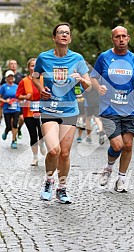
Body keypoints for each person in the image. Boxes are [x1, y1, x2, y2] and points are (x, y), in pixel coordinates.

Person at [32, 22, 91, 203]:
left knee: (65, 153)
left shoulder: (78, 59)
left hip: (69, 110)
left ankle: (62, 189)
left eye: (67, 33)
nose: (64, 35)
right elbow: (34, 77)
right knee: (54, 150)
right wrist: (41, 88)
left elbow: (87, 86)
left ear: (70, 38)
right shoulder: (44, 58)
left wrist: (80, 78)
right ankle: (49, 181)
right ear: (54, 37)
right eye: (60, 32)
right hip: (49, 109)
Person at [90, 26, 134, 192]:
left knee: (128, 146)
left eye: (123, 36)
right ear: (112, 39)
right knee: (117, 145)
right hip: (109, 108)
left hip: (128, 109)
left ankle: (121, 179)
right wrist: (98, 87)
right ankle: (108, 168)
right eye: (117, 37)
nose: (121, 39)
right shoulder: (104, 57)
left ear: (128, 38)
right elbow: (94, 77)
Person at [16, 58, 46, 166]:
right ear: (28, 67)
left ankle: (42, 143)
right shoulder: (24, 81)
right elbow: (18, 96)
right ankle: (35, 157)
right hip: (28, 112)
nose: (34, 68)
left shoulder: (44, 79)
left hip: (43, 111)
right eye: (32, 65)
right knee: (33, 135)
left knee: (42, 133)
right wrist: (25, 96)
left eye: (36, 65)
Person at [0, 59, 24, 139]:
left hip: (18, 104)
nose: (13, 65)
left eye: (15, 64)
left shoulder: (21, 76)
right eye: (11, 64)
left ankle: (18, 130)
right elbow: (1, 93)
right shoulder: (4, 81)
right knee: (10, 123)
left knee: (21, 119)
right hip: (7, 106)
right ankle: (11, 132)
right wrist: (5, 101)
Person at [0, 70, 20, 149]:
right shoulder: (3, 87)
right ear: (6, 78)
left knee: (15, 124)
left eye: (12, 76)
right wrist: (6, 101)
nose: (11, 78)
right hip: (7, 108)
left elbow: (20, 96)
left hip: (16, 108)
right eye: (9, 76)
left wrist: (18, 99)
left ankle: (14, 141)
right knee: (9, 126)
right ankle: (6, 131)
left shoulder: (16, 86)